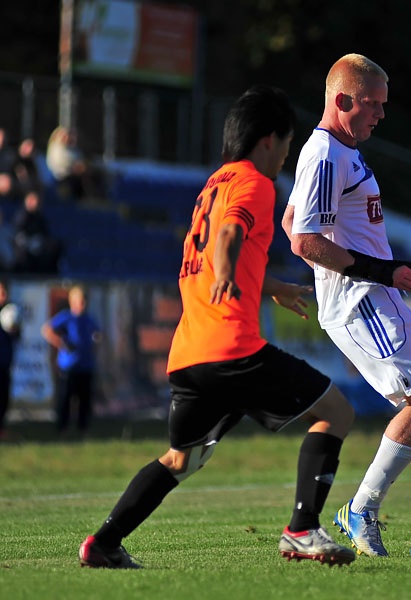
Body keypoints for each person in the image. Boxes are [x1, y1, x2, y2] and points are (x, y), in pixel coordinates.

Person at [77, 85, 358, 570]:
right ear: (269, 140)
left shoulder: (214, 184)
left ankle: (103, 543)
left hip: (189, 356)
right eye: (287, 146)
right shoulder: (255, 183)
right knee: (336, 412)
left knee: (180, 459)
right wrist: (228, 274)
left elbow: (223, 244)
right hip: (232, 349)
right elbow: (228, 237)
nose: (285, 157)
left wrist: (270, 286)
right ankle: (302, 529)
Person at [282, 53, 411, 558]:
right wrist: (379, 270)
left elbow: (291, 218)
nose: (380, 114)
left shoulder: (340, 150)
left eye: (382, 105)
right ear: (342, 99)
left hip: (372, 296)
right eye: (372, 104)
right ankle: (361, 508)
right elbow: (304, 240)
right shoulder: (327, 153)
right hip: (363, 299)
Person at [41, 284, 101, 436]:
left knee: (84, 400)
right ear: (72, 301)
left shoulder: (89, 319)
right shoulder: (66, 317)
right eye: (79, 301)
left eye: (84, 301)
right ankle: (62, 428)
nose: (82, 304)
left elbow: (98, 335)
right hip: (69, 366)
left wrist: (96, 343)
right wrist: (61, 343)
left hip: (86, 365)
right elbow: (47, 330)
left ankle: (83, 429)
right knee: (65, 398)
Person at [13, 190, 61, 273]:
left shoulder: (40, 218)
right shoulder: (20, 216)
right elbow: (17, 233)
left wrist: (39, 241)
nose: (32, 203)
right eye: (30, 200)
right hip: (24, 247)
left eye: (34, 200)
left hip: (39, 247)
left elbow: (45, 233)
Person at [0, 280, 21, 440]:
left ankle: (2, 429)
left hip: (4, 364)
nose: (2, 296)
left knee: (3, 399)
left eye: (4, 292)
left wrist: (15, 329)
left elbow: (17, 337)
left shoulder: (11, 311)